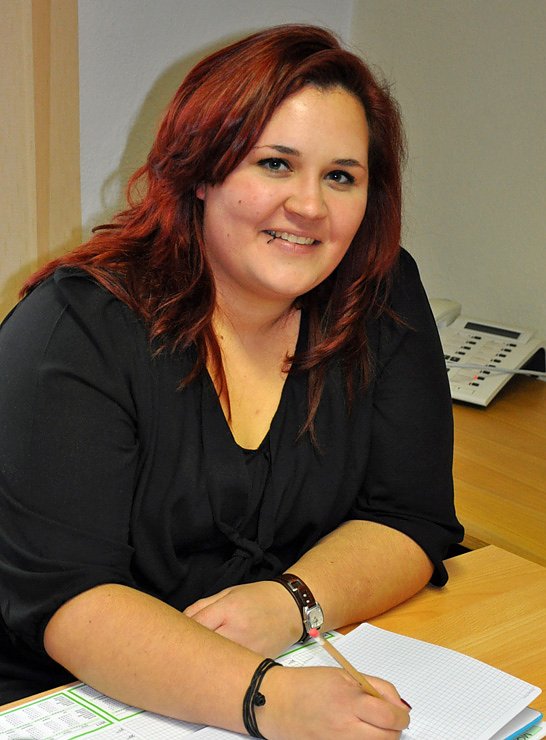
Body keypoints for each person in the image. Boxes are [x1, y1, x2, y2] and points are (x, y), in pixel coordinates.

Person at [0, 23, 463, 738]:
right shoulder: (77, 326)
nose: (309, 206)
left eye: (341, 176)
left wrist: (291, 602)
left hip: (288, 658)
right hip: (72, 698)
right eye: (275, 164)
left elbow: (410, 517)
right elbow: (69, 595)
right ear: (201, 171)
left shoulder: (380, 293)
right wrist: (271, 701)